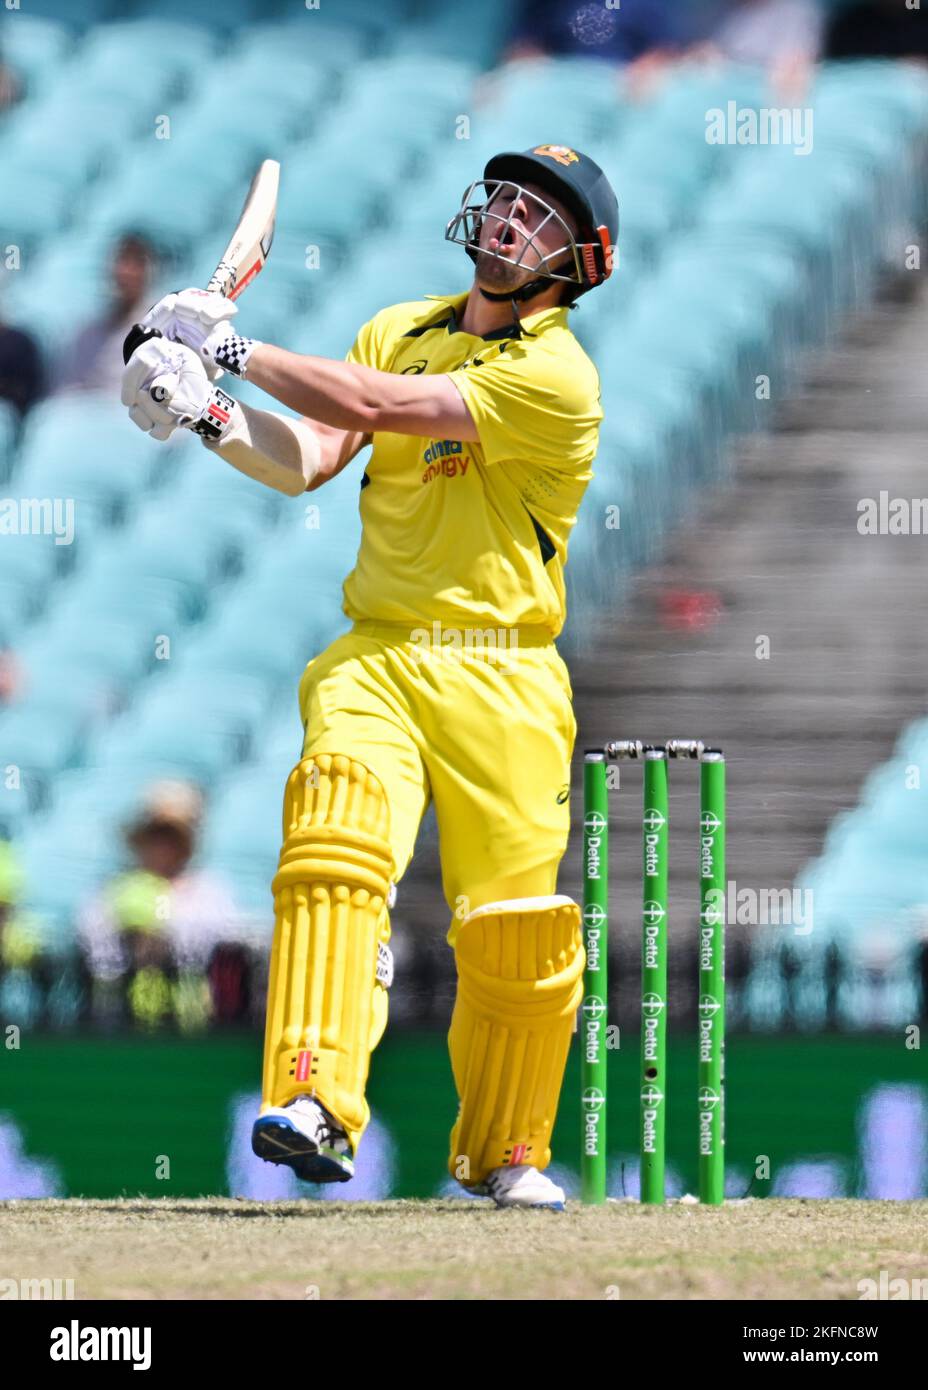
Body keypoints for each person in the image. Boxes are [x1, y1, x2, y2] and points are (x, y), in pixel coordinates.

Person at [120, 143, 618, 1210]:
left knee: (513, 929)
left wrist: (229, 344)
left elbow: (391, 409)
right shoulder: (398, 326)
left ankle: (508, 1150)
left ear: (573, 262)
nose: (505, 224)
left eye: (536, 219)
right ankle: (312, 1098)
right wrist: (203, 412)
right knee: (333, 849)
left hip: (508, 671)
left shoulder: (557, 376)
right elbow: (308, 456)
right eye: (504, 202)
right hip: (380, 654)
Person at [78, 780, 241, 1030]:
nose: (161, 847)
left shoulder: (209, 891)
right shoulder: (112, 891)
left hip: (193, 1025)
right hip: (117, 1021)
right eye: (154, 836)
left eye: (169, 837)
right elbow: (92, 942)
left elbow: (223, 947)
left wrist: (161, 931)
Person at [56, 233, 157, 396]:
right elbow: (70, 393)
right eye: (123, 262)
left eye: (136, 263)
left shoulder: (166, 325)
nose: (127, 272)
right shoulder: (88, 332)